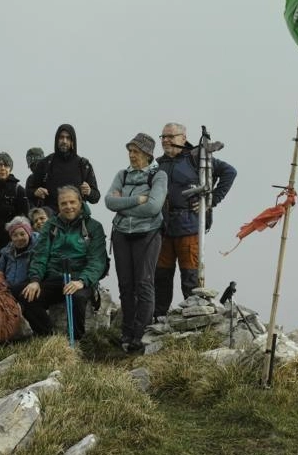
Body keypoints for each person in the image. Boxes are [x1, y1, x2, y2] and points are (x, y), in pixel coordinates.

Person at [154, 123, 238, 319]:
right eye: (163, 136)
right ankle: (159, 318)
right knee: (161, 276)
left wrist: (211, 201)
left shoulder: (197, 158)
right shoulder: (158, 163)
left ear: (183, 137)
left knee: (190, 278)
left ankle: (193, 320)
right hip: (163, 228)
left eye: (170, 136)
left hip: (189, 227)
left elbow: (229, 172)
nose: (166, 140)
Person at [105, 133, 168, 353]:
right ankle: (127, 332)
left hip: (148, 234)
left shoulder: (158, 176)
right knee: (126, 285)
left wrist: (122, 205)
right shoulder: (122, 175)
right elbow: (109, 201)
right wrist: (134, 200)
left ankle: (141, 334)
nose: (132, 155)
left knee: (143, 283)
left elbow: (153, 207)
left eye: (136, 152)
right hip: (122, 233)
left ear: (148, 154)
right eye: (130, 151)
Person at [20, 186, 107, 341]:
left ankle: (77, 341)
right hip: (55, 276)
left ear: (80, 202)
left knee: (77, 297)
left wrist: (82, 281)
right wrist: (35, 280)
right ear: (58, 206)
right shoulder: (51, 226)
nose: (68, 207)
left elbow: (97, 260)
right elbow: (40, 255)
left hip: (80, 277)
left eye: (72, 202)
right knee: (28, 297)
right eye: (63, 203)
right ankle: (50, 340)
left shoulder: (94, 227)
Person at [26, 124, 100, 212]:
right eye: (61, 137)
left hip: (77, 220)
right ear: (57, 140)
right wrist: (35, 192)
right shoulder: (45, 164)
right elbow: (28, 191)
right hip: (52, 220)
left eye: (68, 138)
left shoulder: (83, 165)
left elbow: (96, 197)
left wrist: (89, 192)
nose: (64, 141)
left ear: (73, 141)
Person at [0, 152, 29, 266]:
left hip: (11, 240)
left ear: (10, 168)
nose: (2, 168)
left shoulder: (19, 190)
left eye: (6, 165)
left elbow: (24, 217)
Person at [0, 216, 38, 295]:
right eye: (15, 235)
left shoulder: (37, 250)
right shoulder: (6, 252)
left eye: (22, 234)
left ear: (29, 234)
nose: (19, 238)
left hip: (27, 290)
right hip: (6, 290)